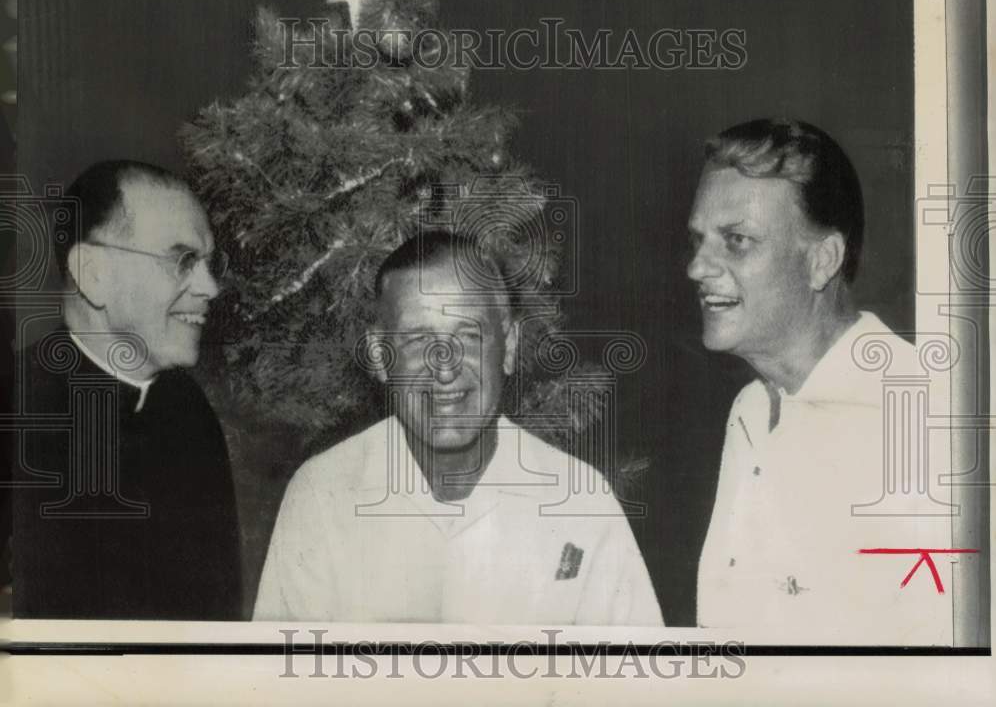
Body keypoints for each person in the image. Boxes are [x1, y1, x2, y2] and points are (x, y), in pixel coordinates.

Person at [254, 231, 662, 625]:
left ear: (510, 345)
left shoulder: (581, 503)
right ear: (380, 356)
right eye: (417, 340)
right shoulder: (321, 495)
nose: (445, 368)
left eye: (468, 335)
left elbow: (635, 687)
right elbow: (277, 682)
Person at [688, 119, 953, 644]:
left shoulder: (920, 420)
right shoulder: (748, 413)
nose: (697, 266)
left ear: (822, 261)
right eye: (698, 240)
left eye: (736, 241)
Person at [12, 160, 242, 619]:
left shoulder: (187, 406)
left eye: (209, 263)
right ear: (93, 272)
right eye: (182, 261)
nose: (211, 288)